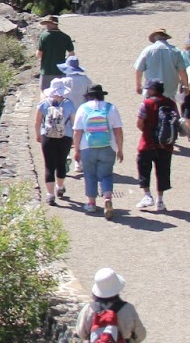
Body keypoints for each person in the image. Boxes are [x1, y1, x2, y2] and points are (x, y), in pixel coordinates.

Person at [72, 84, 124, 219]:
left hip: (87, 147)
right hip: (108, 146)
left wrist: (76, 150)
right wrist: (120, 149)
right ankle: (107, 198)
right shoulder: (110, 108)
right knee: (106, 174)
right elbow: (118, 130)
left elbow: (77, 132)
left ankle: (91, 203)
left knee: (90, 174)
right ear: (102, 95)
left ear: (88, 96)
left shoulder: (83, 109)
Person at [134, 79, 179, 212]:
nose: (146, 91)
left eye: (148, 89)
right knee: (163, 171)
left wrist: (147, 131)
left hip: (147, 143)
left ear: (153, 90)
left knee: (144, 169)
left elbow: (139, 123)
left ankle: (147, 196)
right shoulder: (171, 103)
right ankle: (160, 200)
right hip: (166, 144)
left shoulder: (146, 103)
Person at [34, 77, 77, 206]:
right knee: (61, 162)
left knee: (49, 165)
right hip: (65, 136)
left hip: (47, 136)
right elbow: (74, 123)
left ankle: (50, 195)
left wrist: (38, 135)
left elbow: (37, 122)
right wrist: (74, 139)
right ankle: (59, 187)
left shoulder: (44, 103)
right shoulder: (69, 104)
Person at [134, 28, 188, 106]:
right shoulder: (175, 51)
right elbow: (182, 71)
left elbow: (139, 69)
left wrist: (138, 86)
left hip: (151, 90)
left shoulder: (147, 50)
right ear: (166, 38)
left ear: (155, 38)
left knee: (150, 113)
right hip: (169, 91)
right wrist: (186, 86)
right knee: (169, 114)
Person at [37, 15, 74, 89]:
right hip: (60, 70)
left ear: (54, 24)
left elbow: (39, 53)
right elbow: (71, 54)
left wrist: (42, 60)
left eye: (48, 23)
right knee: (60, 92)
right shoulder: (65, 37)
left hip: (46, 70)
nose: (47, 25)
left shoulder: (44, 36)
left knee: (44, 92)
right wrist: (65, 61)